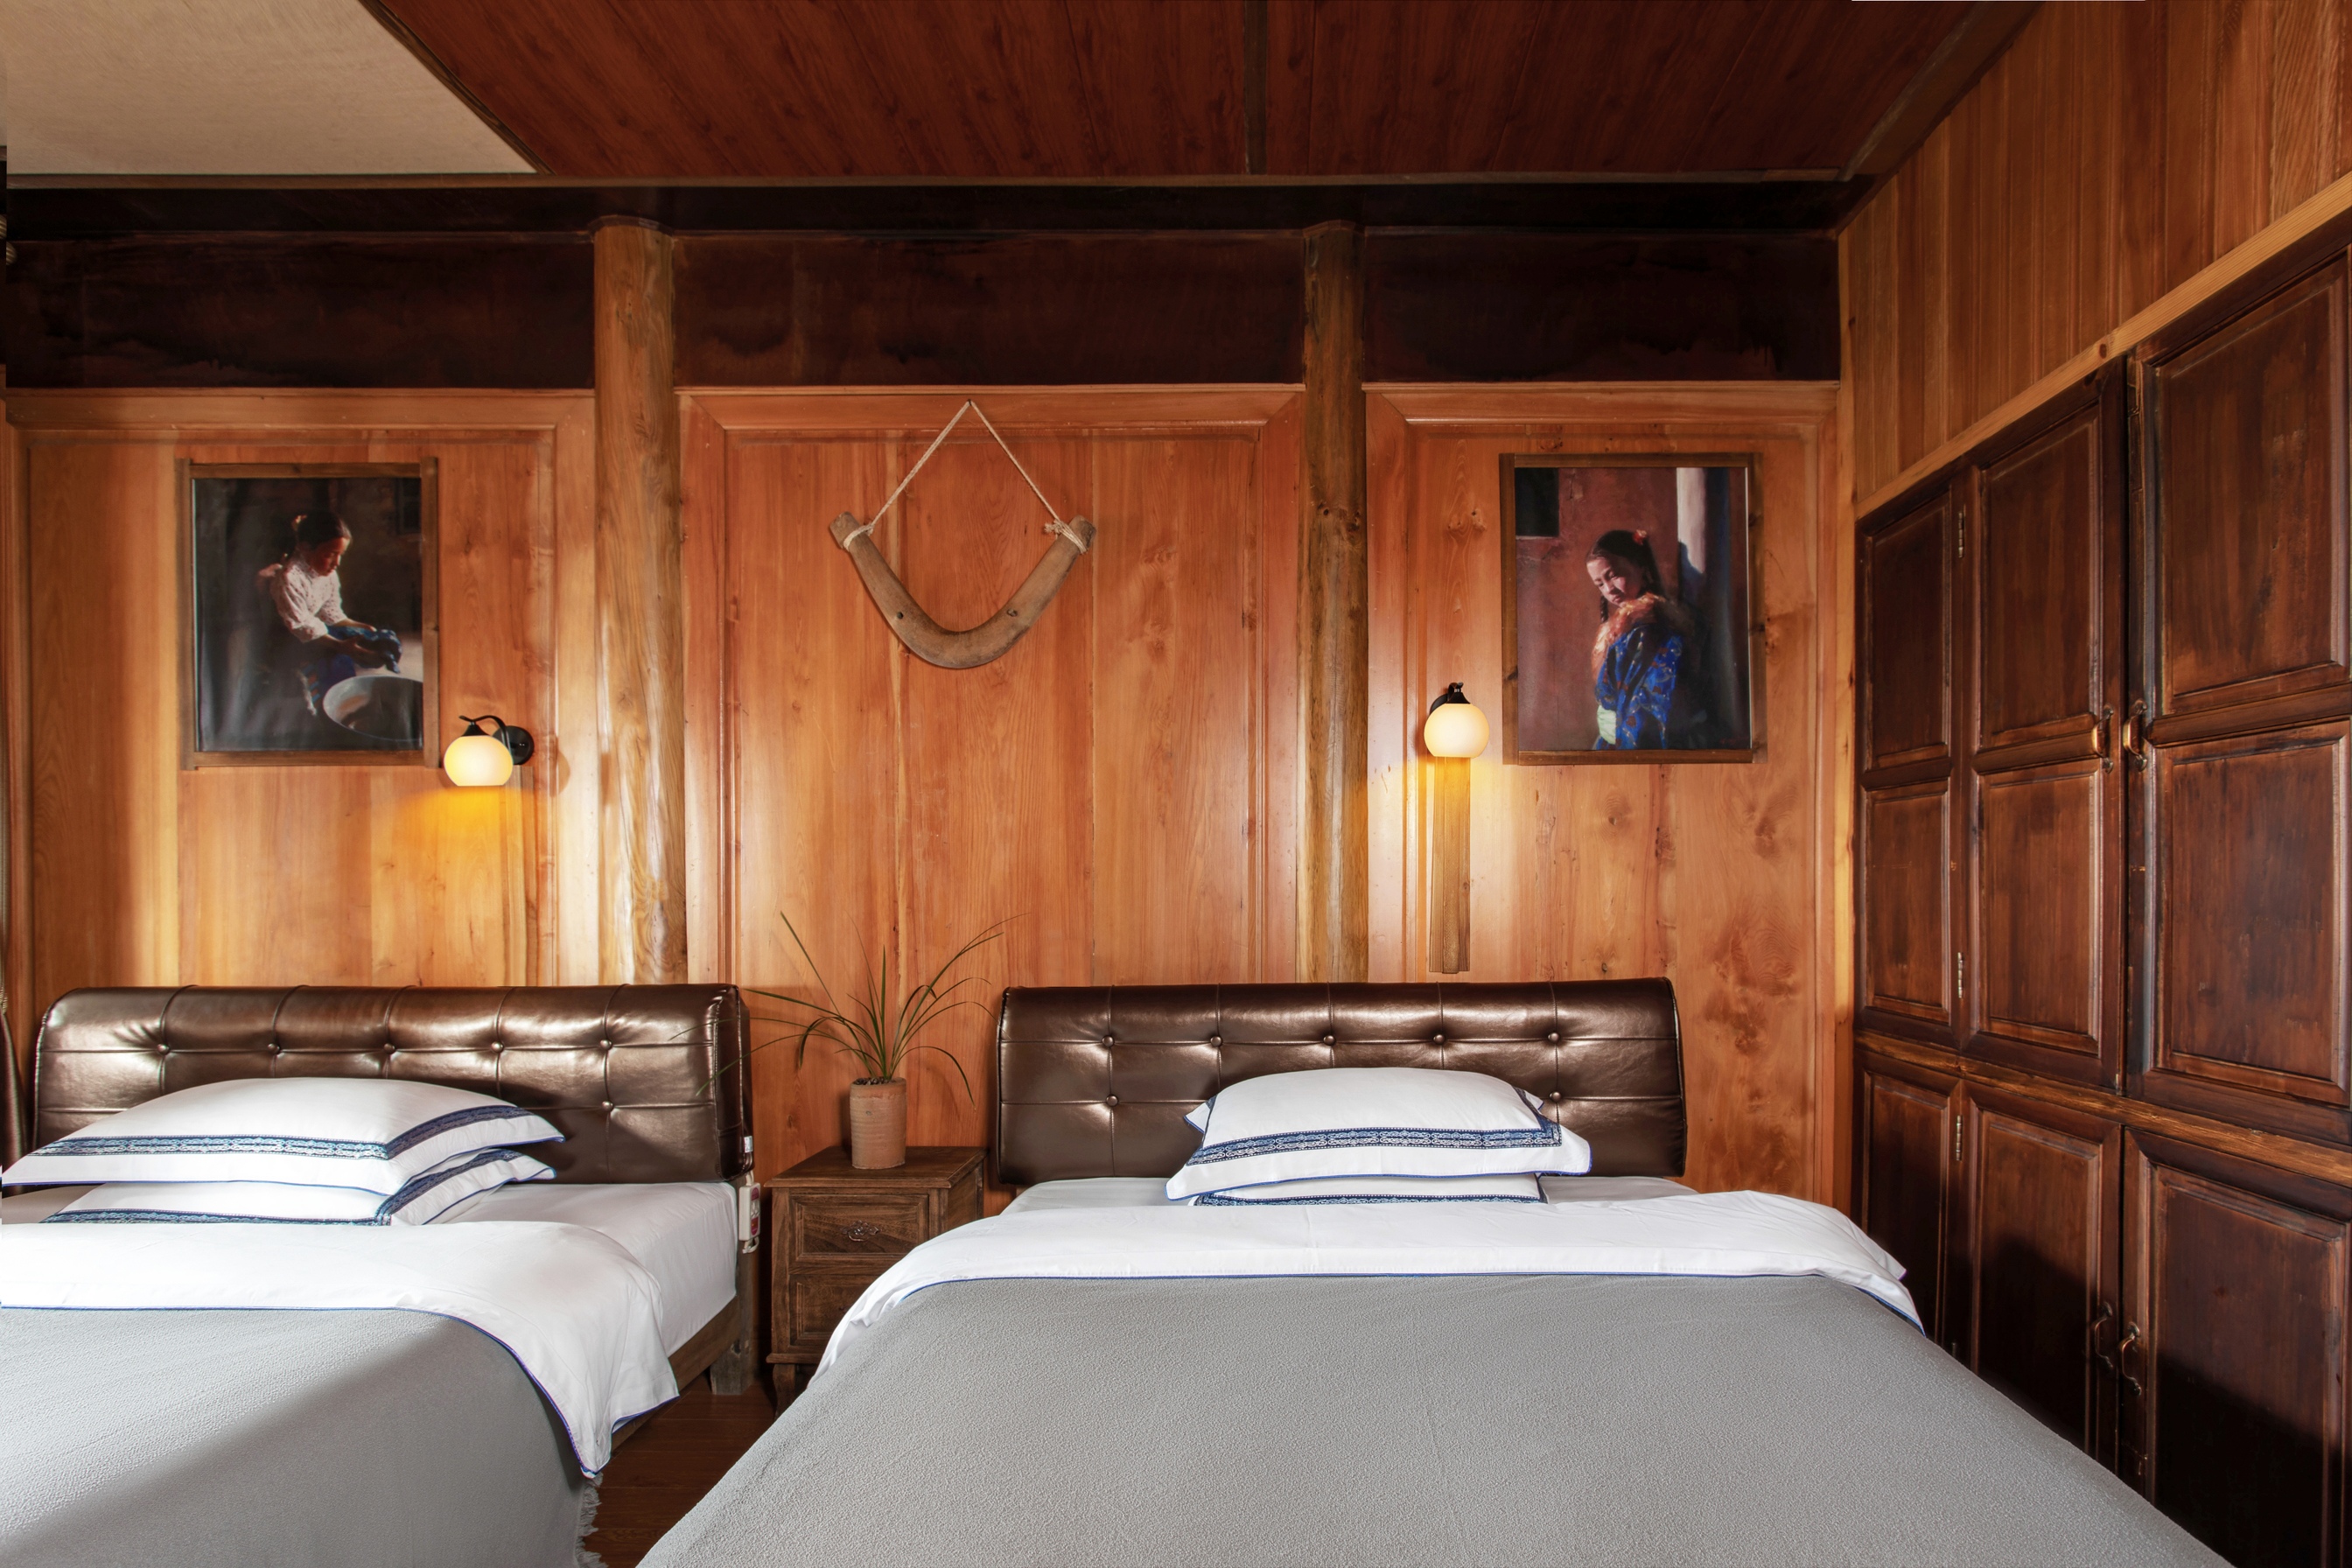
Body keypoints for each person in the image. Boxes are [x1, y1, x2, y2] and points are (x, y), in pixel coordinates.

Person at [254, 510, 399, 713]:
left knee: (368, 638)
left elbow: (331, 614)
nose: (337, 563)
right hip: (288, 639)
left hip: (314, 629)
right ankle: (330, 708)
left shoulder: (326, 573)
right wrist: (342, 646)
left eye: (340, 555)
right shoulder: (289, 578)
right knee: (337, 657)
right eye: (330, 555)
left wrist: (360, 628)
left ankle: (345, 702)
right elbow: (302, 626)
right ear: (305, 548)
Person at [1586, 528, 1710, 749]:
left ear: (1641, 567)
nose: (1608, 589)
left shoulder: (1649, 630)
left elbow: (1652, 700)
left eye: (1613, 576)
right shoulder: (1619, 630)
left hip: (1638, 739)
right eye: (1600, 584)